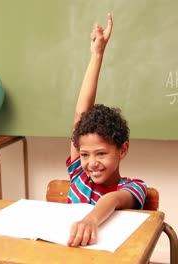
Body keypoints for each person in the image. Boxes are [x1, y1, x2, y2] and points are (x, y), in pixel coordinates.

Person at [66, 13, 147, 247]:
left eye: (101, 153)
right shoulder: (79, 176)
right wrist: (96, 55)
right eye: (84, 154)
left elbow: (112, 199)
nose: (91, 163)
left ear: (123, 150)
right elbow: (81, 114)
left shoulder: (134, 187)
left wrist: (91, 219)